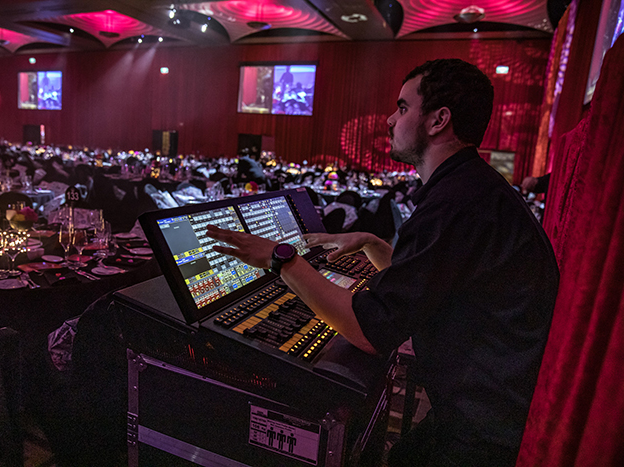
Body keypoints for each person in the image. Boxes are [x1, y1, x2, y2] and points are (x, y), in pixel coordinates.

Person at [207, 58, 559, 466]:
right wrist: (374, 244)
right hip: (492, 410)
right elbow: (438, 282)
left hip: (485, 429)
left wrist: (281, 259)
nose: (391, 119)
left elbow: (370, 331)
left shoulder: (453, 204)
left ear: (438, 120)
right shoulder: (473, 188)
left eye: (404, 107)